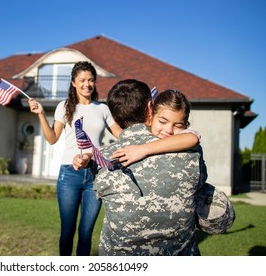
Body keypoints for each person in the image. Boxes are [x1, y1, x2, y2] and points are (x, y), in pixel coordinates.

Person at [74, 79, 207, 255]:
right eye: (164, 121)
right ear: (150, 108)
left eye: (177, 125)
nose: (169, 130)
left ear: (113, 117)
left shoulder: (104, 162)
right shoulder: (191, 153)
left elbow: (191, 137)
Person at [28, 61, 122, 256]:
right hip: (70, 175)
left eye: (91, 80)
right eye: (82, 80)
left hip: (96, 175)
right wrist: (40, 115)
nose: (87, 84)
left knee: (86, 233)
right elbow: (52, 139)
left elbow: (122, 136)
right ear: (73, 82)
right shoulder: (64, 107)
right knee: (67, 232)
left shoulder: (103, 109)